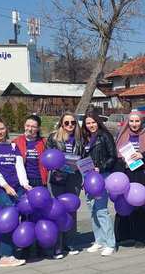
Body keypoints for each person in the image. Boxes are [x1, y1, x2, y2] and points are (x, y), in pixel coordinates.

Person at [0, 117, 29, 267]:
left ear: (6, 129)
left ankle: (13, 251)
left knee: (18, 220)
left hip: (18, 188)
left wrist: (25, 184)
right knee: (8, 221)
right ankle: (5, 256)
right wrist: (5, 186)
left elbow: (20, 168)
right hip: (2, 190)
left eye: (1, 128)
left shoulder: (13, 146)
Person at [114, 111, 145, 249]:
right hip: (129, 175)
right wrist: (122, 162)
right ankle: (140, 237)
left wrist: (142, 155)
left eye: (137, 121)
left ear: (141, 122)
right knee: (135, 207)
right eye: (131, 121)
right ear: (127, 122)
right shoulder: (122, 136)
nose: (134, 124)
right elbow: (116, 156)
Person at [46, 112, 84, 258]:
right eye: (66, 123)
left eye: (73, 123)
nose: (70, 125)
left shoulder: (79, 140)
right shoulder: (53, 138)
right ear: (61, 123)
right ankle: (57, 246)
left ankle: (70, 242)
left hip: (73, 178)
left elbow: (84, 159)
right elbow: (48, 157)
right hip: (57, 178)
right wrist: (57, 166)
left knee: (71, 210)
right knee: (56, 210)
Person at [81, 109, 117, 256]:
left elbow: (112, 156)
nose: (91, 125)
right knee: (92, 210)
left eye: (93, 122)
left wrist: (100, 167)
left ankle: (110, 243)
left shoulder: (105, 136)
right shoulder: (85, 138)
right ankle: (99, 240)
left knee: (101, 210)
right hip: (88, 177)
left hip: (101, 176)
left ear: (98, 122)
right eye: (88, 123)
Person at [13, 115, 48, 189]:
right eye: (27, 125)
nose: (29, 129)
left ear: (38, 128)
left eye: (33, 127)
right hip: (22, 180)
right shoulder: (16, 142)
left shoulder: (44, 142)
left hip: (40, 179)